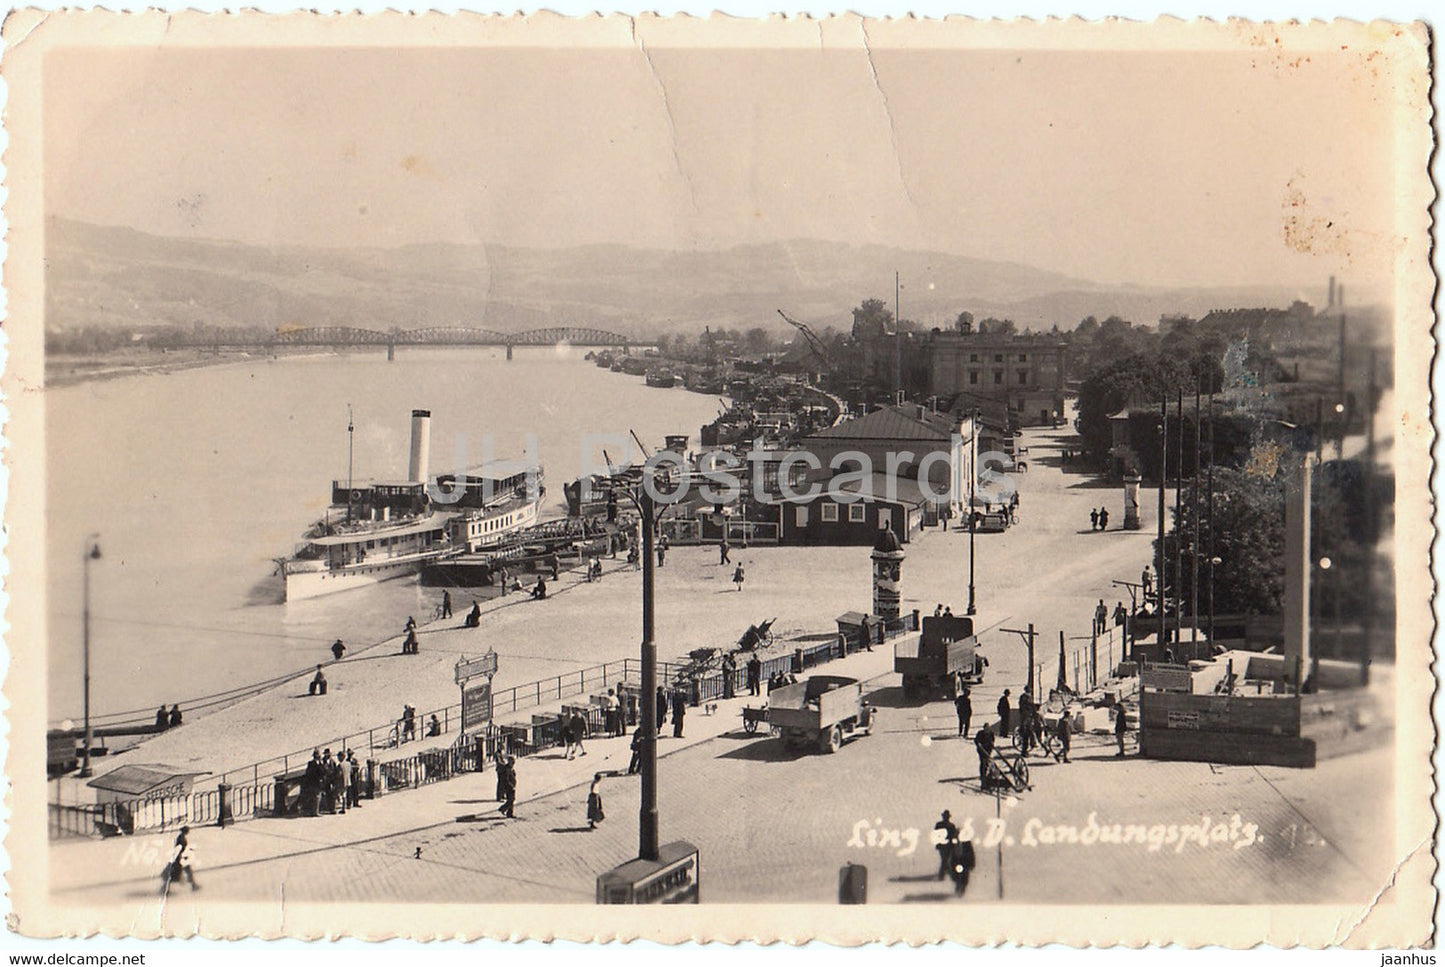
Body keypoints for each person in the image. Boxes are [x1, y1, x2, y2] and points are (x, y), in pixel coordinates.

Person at [161, 826, 197, 893]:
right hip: (180, 858)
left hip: (180, 858)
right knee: (179, 873)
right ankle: (193, 885)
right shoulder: (181, 838)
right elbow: (180, 848)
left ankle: (193, 885)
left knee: (183, 872)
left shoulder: (181, 837)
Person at [949, 830, 977, 897]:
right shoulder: (953, 843)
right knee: (956, 877)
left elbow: (971, 853)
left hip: (964, 862)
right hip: (956, 862)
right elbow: (951, 854)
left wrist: (972, 864)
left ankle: (962, 891)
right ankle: (958, 887)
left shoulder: (967, 843)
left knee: (964, 878)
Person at [934, 810, 958, 880]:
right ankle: (943, 875)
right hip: (947, 845)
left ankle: (943, 874)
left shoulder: (939, 824)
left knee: (945, 859)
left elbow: (936, 835)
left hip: (945, 845)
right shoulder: (951, 825)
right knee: (945, 859)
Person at [302, 749, 324, 817]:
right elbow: (310, 773)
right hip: (314, 783)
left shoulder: (320, 763)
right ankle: (315, 812)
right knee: (316, 797)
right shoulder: (311, 763)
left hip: (318, 783)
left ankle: (315, 811)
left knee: (317, 797)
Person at [1017, 690, 1035, 754]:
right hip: (1026, 724)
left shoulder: (1022, 697)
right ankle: (1026, 750)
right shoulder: (1029, 698)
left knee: (1025, 736)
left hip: (1023, 720)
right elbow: (1032, 706)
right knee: (1027, 736)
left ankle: (1025, 748)